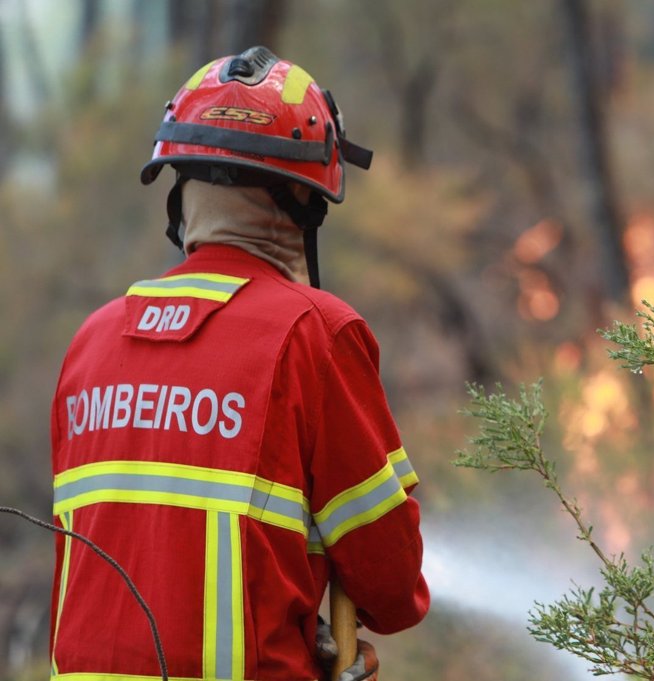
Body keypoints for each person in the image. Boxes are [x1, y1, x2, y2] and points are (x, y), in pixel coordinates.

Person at [49, 46, 429, 681]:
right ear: (306, 201)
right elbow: (391, 585)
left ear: (180, 186)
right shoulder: (314, 333)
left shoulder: (90, 343)